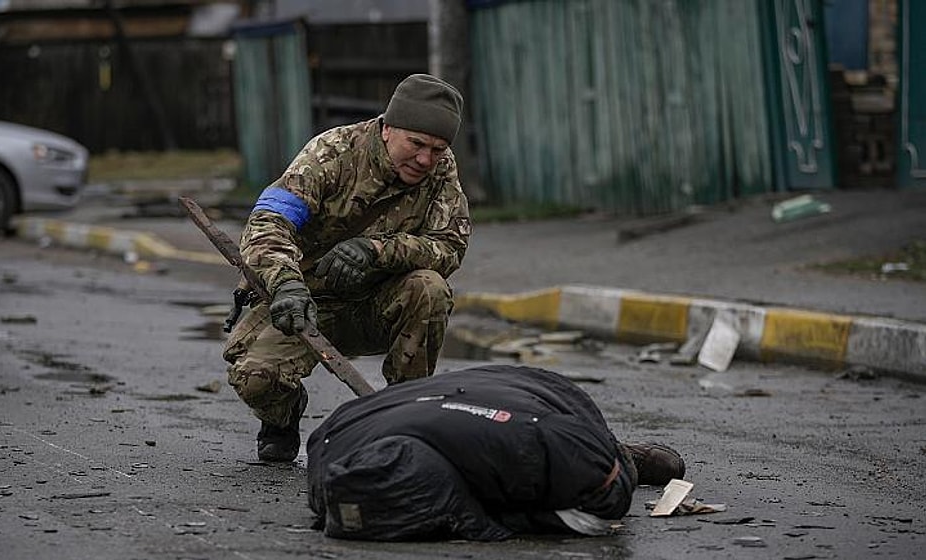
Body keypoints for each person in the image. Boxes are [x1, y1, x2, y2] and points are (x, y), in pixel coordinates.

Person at [223, 74, 472, 462]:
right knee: (256, 379)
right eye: (417, 144)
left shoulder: (440, 171)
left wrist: (378, 251)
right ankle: (282, 415)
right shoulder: (331, 153)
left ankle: (403, 417)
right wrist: (286, 283)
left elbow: (449, 247)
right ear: (388, 129)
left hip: (377, 304)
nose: (426, 159)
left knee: (430, 287)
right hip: (306, 304)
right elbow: (267, 222)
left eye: (438, 149)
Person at [306, 364, 686, 541]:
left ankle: (620, 450)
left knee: (597, 464)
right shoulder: (335, 454)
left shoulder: (537, 446)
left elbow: (605, 497)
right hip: (428, 405)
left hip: (524, 398)